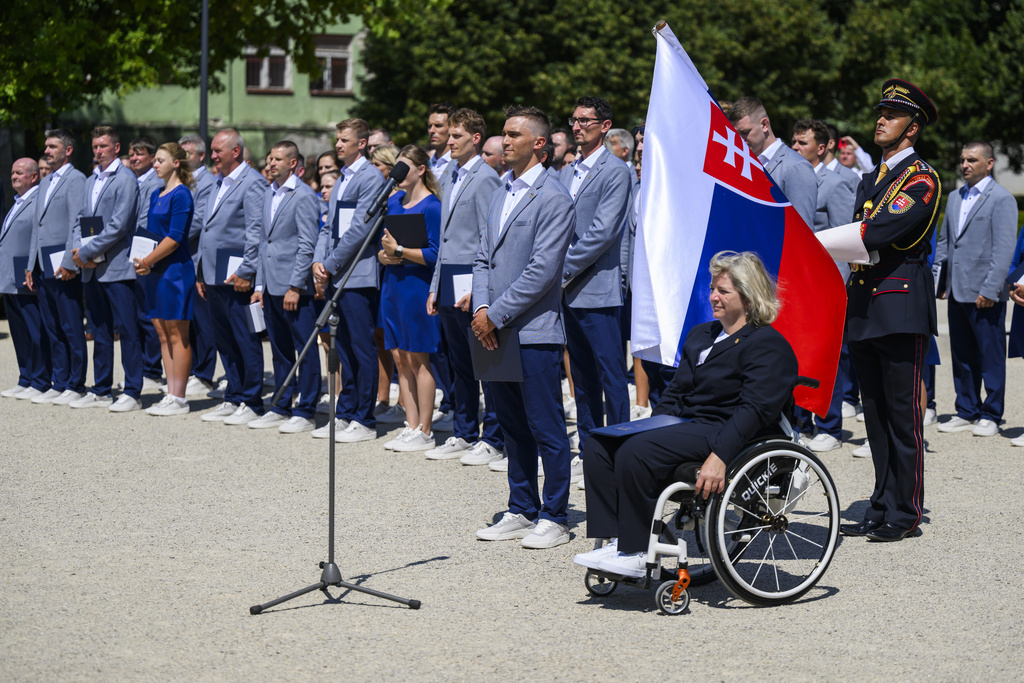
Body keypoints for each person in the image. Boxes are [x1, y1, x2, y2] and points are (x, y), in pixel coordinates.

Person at [574, 251, 798, 577]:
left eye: (723, 291)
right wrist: (651, 425)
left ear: (748, 298)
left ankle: (636, 552)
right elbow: (675, 393)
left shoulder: (767, 344)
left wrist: (720, 456)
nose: (713, 296)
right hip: (687, 425)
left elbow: (755, 410)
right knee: (600, 443)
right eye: (712, 289)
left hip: (725, 429)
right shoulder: (701, 335)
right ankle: (618, 541)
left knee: (638, 452)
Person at [840, 79, 941, 543]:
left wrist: (826, 243)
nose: (880, 120)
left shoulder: (922, 178)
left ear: (912, 128)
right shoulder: (870, 179)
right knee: (874, 415)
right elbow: (863, 234)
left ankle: (905, 510)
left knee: (902, 415)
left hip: (899, 304)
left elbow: (876, 234)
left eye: (892, 115)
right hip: (864, 304)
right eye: (880, 112)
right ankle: (881, 500)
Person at [472, 105, 576, 550]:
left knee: (544, 425)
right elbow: (482, 258)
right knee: (511, 425)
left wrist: (494, 313)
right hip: (491, 326)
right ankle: (521, 506)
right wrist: (480, 307)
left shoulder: (554, 197)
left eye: (514, 134)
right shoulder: (499, 192)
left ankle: (554, 514)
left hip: (532, 330)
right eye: (503, 133)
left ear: (539, 143)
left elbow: (542, 270)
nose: (505, 140)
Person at [425, 108, 505, 464]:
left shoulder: (486, 177)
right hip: (448, 275)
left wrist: (480, 285)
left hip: (472, 277)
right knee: (459, 360)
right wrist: (434, 285)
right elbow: (444, 237)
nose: (450, 141)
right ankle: (464, 430)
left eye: (457, 136)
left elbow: (489, 236)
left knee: (485, 360)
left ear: (475, 139)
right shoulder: (449, 175)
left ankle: (494, 435)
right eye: (449, 135)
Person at [557, 96, 632, 462]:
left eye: (585, 120)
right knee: (582, 380)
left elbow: (603, 233)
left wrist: (560, 270)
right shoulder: (566, 172)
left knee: (611, 378)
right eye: (573, 120)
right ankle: (589, 450)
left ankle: (619, 452)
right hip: (567, 292)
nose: (576, 126)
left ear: (604, 126)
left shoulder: (616, 171)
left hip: (596, 288)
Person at [933, 141, 1017, 437]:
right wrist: (940, 283)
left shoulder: (1002, 199)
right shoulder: (955, 197)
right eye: (963, 160)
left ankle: (991, 414)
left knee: (990, 355)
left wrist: (991, 289)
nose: (965, 165)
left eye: (972, 160)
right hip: (957, 290)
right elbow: (945, 243)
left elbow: (1003, 250)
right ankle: (966, 409)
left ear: (989, 163)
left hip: (985, 293)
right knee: (962, 354)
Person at [313, 118, 387, 443]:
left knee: (361, 347)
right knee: (341, 347)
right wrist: (318, 260)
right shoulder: (341, 178)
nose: (339, 144)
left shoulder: (370, 178)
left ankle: (365, 418)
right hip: (334, 272)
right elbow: (328, 225)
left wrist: (329, 264)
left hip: (356, 275)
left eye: (345, 140)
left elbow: (360, 228)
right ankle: (344, 411)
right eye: (337, 139)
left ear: (361, 143)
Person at [244, 140, 322, 433]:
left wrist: (295, 285)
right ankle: (280, 403)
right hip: (271, 285)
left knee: (304, 349)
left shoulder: (302, 195)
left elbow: (307, 243)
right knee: (279, 349)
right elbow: (265, 243)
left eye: (277, 159)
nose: (271, 163)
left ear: (293, 163)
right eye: (269, 159)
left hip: (292, 287)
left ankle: (306, 409)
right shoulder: (269, 193)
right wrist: (260, 284)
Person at [195, 128, 270, 426]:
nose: (212, 156)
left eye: (217, 150)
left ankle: (252, 400)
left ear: (235, 151)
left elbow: (255, 231)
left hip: (236, 273)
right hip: (214, 274)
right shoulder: (217, 182)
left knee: (245, 337)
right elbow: (207, 229)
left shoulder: (251, 183)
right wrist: (201, 271)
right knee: (224, 339)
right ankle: (234, 395)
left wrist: (247, 270)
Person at [789, 118, 856, 452]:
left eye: (802, 143)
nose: (795, 148)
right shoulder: (789, 175)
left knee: (827, 355)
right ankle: (800, 421)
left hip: (824, 282)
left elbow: (844, 241)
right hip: (797, 281)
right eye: (794, 142)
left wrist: (835, 288)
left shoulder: (836, 184)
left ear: (821, 146)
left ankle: (830, 425)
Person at [70, 125, 143, 413]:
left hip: (116, 266)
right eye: (95, 146)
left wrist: (87, 251)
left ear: (116, 147)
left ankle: (133, 391)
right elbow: (80, 219)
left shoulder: (125, 179)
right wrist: (79, 251)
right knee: (98, 328)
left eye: (103, 146)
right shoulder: (90, 180)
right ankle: (101, 389)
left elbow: (119, 225)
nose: (98, 150)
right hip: (90, 266)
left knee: (126, 329)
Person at [376, 145, 443, 452]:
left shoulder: (432, 207)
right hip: (394, 284)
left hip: (417, 286)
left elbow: (435, 253)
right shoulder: (393, 202)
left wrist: (400, 253)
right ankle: (411, 423)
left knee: (419, 358)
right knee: (401, 357)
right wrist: (384, 256)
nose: (398, 174)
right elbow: (384, 246)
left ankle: (426, 430)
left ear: (420, 169)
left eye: (404, 167)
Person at [132, 142, 196, 416]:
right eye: (155, 160)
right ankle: (171, 393)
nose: (155, 164)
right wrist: (144, 260)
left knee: (177, 333)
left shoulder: (181, 194)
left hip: (175, 272)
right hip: (155, 270)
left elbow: (175, 237)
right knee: (161, 331)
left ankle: (179, 397)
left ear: (176, 163)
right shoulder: (157, 193)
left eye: (160, 160)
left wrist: (148, 260)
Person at [25, 128, 89, 405]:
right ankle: (59, 380)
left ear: (68, 150)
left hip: (63, 265)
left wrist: (69, 262)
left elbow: (78, 222)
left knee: (70, 324)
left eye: (52, 146)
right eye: (46, 146)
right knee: (52, 325)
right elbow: (36, 229)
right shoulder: (45, 180)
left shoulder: (77, 180)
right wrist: (30, 266)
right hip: (42, 264)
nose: (47, 150)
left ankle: (76, 384)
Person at [1, 158, 50, 400]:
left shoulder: (38, 199)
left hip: (26, 272)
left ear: (33, 177)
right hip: (9, 276)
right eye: (12, 173)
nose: (14, 176)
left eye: (20, 173)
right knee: (18, 330)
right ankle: (26, 377)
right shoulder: (17, 202)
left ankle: (40, 378)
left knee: (34, 328)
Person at [727, 97, 817, 229]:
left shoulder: (795, 166)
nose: (740, 139)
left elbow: (803, 230)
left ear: (764, 125)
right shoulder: (743, 163)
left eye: (745, 132)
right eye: (736, 134)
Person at [179, 133, 220, 398]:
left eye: (187, 154)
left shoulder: (207, 182)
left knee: (204, 322)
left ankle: (205, 374)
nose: (182, 159)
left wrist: (171, 238)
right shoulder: (182, 180)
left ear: (201, 156)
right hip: (182, 258)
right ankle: (193, 369)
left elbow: (198, 221)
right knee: (188, 320)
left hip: (197, 259)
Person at [128, 136, 166, 390]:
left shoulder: (157, 182)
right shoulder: (131, 180)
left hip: (146, 254)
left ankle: (152, 369)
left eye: (139, 154)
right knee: (134, 315)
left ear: (152, 158)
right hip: (129, 254)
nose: (134, 158)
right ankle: (141, 366)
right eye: (132, 154)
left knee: (148, 315)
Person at [426, 103, 456, 175]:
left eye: (438, 125)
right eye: (430, 126)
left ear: (451, 128)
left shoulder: (459, 165)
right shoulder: (426, 165)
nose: (432, 130)